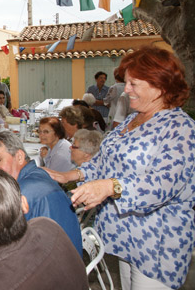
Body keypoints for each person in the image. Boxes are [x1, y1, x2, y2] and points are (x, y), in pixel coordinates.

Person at [46, 46, 195, 289]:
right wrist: (70, 174)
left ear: (161, 85)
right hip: (126, 238)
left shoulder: (180, 129)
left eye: (134, 84)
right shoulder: (131, 120)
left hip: (156, 245)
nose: (126, 90)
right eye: (126, 83)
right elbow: (106, 161)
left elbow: (159, 186)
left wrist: (110, 186)